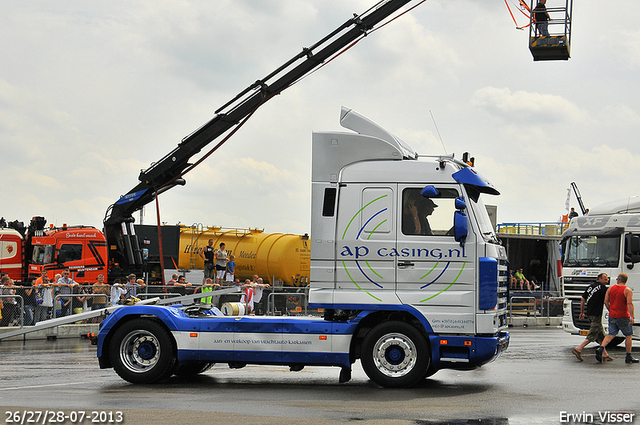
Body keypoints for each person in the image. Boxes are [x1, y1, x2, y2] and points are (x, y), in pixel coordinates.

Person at [596, 273, 639, 363]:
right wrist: (632, 316)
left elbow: (606, 301)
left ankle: (601, 348)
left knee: (611, 334)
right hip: (623, 316)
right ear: (625, 280)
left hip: (612, 315)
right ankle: (628, 356)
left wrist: (610, 309)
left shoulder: (611, 288)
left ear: (618, 279)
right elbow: (629, 304)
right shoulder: (627, 290)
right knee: (628, 335)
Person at [572, 273, 610, 361]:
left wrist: (582, 311)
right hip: (596, 314)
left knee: (601, 335)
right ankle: (579, 349)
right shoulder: (602, 288)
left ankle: (605, 354)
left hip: (589, 313)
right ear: (599, 279)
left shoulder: (590, 287)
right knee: (592, 334)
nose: (607, 281)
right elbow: (606, 300)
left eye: (607, 279)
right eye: (605, 279)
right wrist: (611, 310)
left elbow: (582, 299)